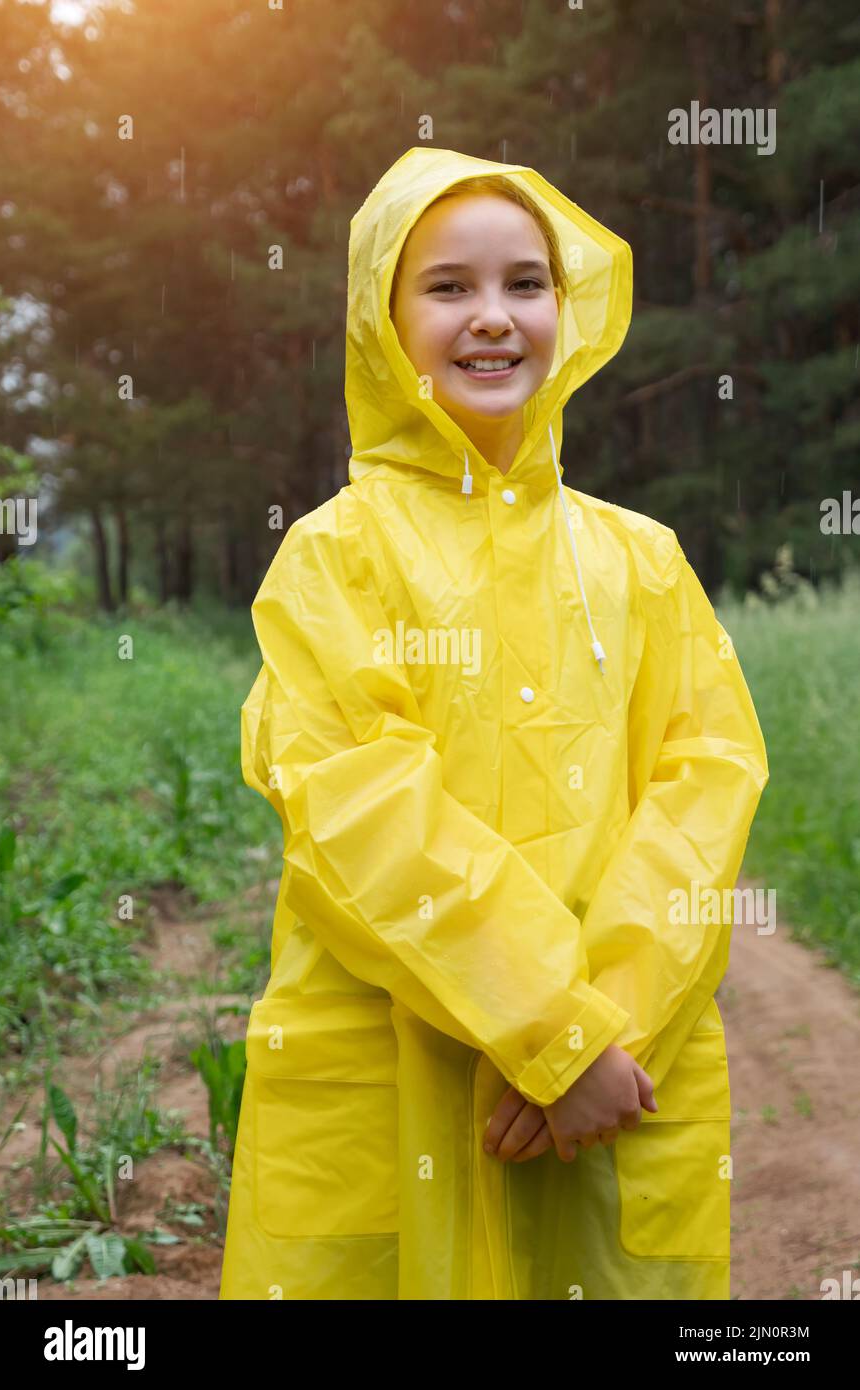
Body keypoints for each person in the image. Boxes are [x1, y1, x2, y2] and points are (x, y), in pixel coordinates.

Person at [218, 146, 769, 1301]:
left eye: (525, 283)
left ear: (565, 310)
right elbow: (362, 815)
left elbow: (702, 787)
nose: (492, 318)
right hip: (393, 1072)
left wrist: (598, 1037)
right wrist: (548, 1033)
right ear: (381, 318)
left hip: (615, 1083)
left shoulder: (642, 559)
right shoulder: (333, 558)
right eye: (447, 287)